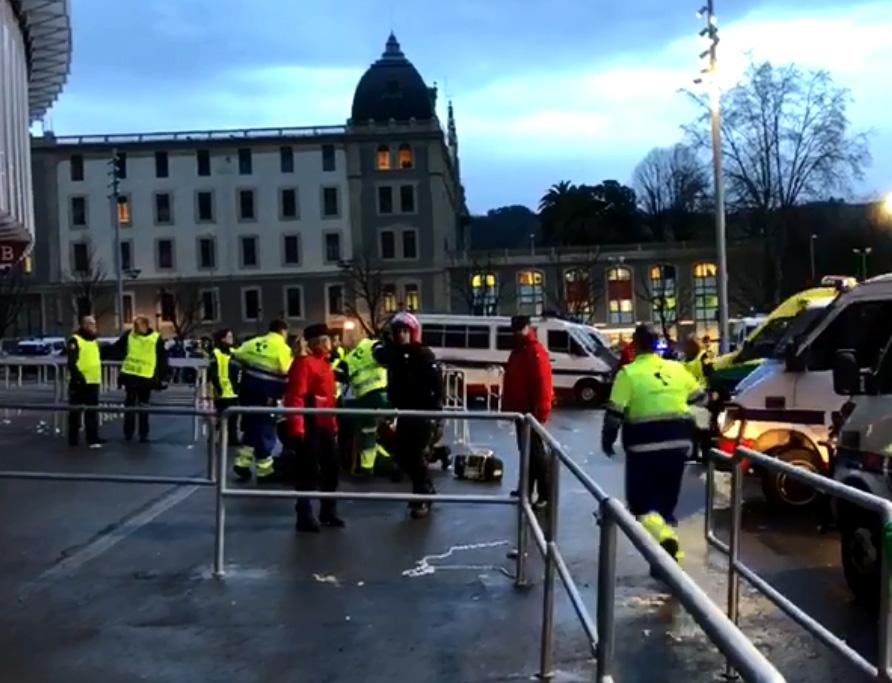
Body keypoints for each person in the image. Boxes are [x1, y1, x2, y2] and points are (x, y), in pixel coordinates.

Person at [601, 323, 705, 563]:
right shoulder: (677, 369)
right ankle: (668, 560)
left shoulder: (628, 373)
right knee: (666, 505)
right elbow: (700, 398)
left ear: (635, 345)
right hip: (679, 444)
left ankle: (666, 542)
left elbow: (614, 414)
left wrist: (607, 441)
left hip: (643, 447)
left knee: (640, 506)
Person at [377, 312, 443, 519]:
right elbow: (378, 354)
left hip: (422, 411)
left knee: (415, 455)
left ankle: (421, 498)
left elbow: (437, 384)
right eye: (398, 332)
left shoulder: (423, 354)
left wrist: (436, 411)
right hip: (403, 410)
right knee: (402, 454)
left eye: (405, 331)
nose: (401, 335)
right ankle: (426, 489)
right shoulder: (394, 354)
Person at [283, 323, 344, 532]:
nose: (333, 343)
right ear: (319, 341)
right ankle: (304, 512)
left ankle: (328, 509)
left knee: (332, 466)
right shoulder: (305, 363)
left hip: (324, 421)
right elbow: (295, 397)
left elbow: (329, 398)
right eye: (328, 339)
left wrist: (333, 425)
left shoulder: (324, 363)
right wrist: (297, 427)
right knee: (308, 469)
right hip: (310, 423)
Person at [501, 315, 554, 508]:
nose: (516, 332)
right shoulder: (522, 351)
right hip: (522, 410)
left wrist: (541, 412)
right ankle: (527, 489)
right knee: (528, 452)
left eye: (519, 329)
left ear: (527, 328)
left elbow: (542, 384)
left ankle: (543, 493)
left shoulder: (531, 352)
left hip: (530, 411)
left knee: (535, 454)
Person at [232, 320, 293, 482]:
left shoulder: (252, 343)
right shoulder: (282, 348)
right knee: (265, 430)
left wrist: (237, 384)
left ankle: (242, 463)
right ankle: (264, 471)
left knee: (252, 426)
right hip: (266, 395)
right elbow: (287, 372)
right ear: (283, 331)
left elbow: (235, 359)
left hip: (247, 393)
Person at [338, 337, 390, 476]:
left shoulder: (350, 358)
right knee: (370, 432)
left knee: (367, 432)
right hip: (379, 394)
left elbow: (339, 374)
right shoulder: (373, 345)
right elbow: (385, 357)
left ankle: (367, 466)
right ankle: (372, 465)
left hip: (363, 398)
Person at [113, 316, 168, 443]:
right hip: (133, 375)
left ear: (146, 325)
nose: (136, 329)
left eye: (138, 326)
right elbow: (117, 349)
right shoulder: (130, 335)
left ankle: (142, 434)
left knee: (141, 406)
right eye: (135, 326)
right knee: (131, 405)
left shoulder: (155, 338)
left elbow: (162, 359)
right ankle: (130, 433)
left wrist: (163, 377)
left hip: (143, 377)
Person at [67, 315, 104, 447]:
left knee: (92, 412)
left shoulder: (94, 341)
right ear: (83, 325)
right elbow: (71, 362)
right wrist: (78, 377)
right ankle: (73, 440)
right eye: (89, 324)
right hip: (79, 382)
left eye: (94, 324)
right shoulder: (75, 340)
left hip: (93, 381)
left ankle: (93, 438)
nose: (93, 326)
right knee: (75, 413)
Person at [209, 329, 240, 447]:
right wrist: (218, 388)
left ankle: (233, 439)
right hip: (222, 391)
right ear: (222, 339)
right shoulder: (216, 353)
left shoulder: (233, 352)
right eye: (229, 336)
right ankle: (220, 439)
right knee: (223, 418)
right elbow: (213, 372)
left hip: (233, 390)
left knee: (234, 417)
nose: (231, 339)